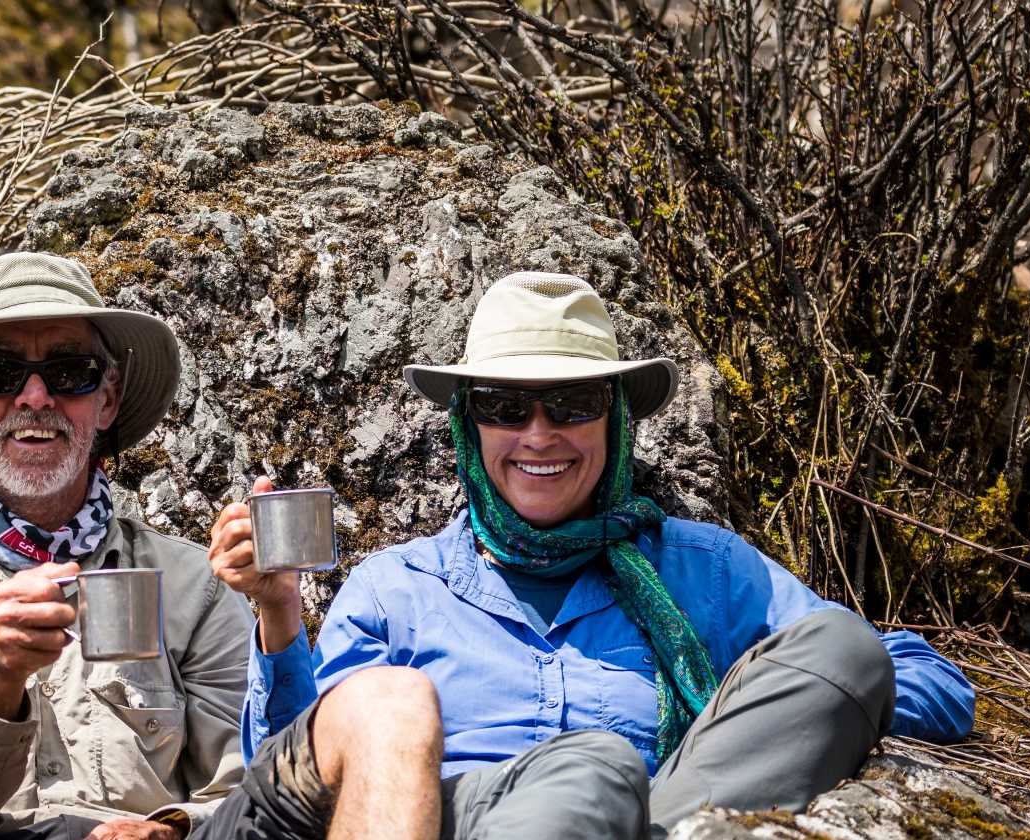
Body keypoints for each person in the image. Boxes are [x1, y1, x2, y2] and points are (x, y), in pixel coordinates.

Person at [211, 272, 976, 839]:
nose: (539, 434)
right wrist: (278, 613)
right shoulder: (395, 588)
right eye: (505, 406)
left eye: (571, 404)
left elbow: (924, 681)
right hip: (451, 821)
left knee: (841, 646)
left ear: (615, 423)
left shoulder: (701, 570)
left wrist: (734, 709)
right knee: (593, 768)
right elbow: (300, 782)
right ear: (468, 427)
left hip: (659, 817)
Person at [0, 253, 442, 840]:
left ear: (108, 398)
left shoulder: (195, 586)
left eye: (70, 373)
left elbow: (255, 788)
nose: (35, 397)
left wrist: (171, 826)